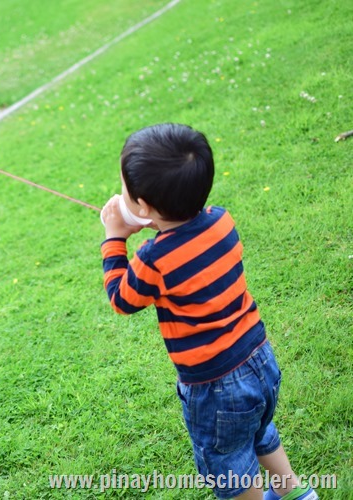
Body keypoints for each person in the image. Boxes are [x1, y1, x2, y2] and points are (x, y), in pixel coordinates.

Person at [99, 123, 316, 500]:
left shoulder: (153, 259)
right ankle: (295, 492)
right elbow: (186, 242)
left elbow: (122, 299)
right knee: (258, 429)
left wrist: (115, 239)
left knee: (228, 460)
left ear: (144, 206)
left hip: (216, 385)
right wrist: (157, 224)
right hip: (260, 358)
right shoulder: (221, 220)